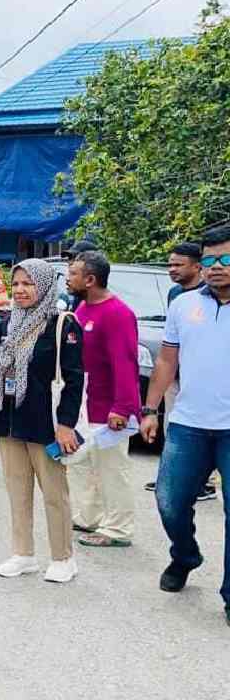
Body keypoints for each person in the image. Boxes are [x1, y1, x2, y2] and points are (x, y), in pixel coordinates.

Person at [0, 259, 85, 583]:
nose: (20, 290)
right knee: (17, 491)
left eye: (28, 283)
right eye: (16, 283)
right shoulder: (6, 324)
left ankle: (63, 558)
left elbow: (75, 380)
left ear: (45, 285)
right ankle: (23, 554)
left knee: (53, 493)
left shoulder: (62, 325)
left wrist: (65, 424)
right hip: (9, 422)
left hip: (46, 424)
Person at [142, 227, 230, 627]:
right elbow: (166, 362)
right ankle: (185, 555)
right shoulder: (183, 304)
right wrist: (150, 409)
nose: (216, 268)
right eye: (210, 260)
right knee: (170, 502)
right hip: (189, 423)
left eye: (225, 260)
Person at [66, 251, 140, 548]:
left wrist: (122, 407)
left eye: (73, 274)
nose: (68, 279)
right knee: (81, 463)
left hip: (108, 407)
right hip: (83, 404)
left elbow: (126, 363)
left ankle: (118, 528)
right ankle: (89, 516)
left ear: (90, 279)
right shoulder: (82, 308)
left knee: (112, 469)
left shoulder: (117, 313)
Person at [144, 242, 216, 500]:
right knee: (172, 424)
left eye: (178, 265)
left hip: (204, 379)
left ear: (198, 266)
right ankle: (173, 476)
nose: (172, 269)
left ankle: (203, 483)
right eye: (170, 264)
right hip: (176, 374)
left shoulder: (212, 294)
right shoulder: (176, 295)